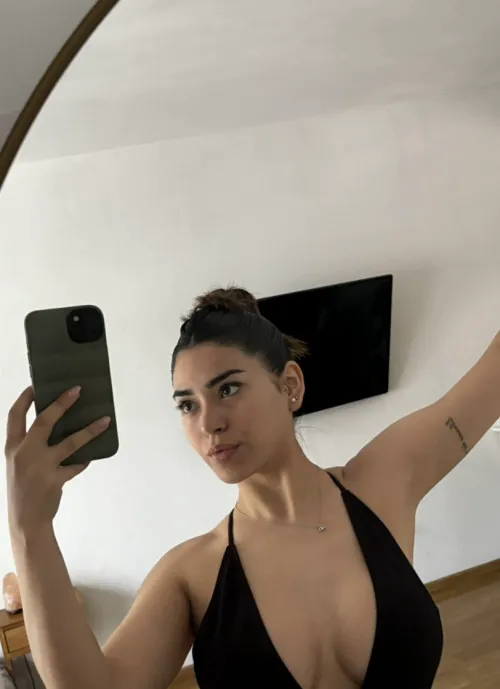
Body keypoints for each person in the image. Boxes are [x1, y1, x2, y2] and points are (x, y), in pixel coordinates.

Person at [5, 286, 500, 689]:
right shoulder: (191, 575)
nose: (209, 423)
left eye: (228, 388)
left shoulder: (383, 481)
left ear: (290, 386)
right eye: (187, 405)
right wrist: (30, 529)